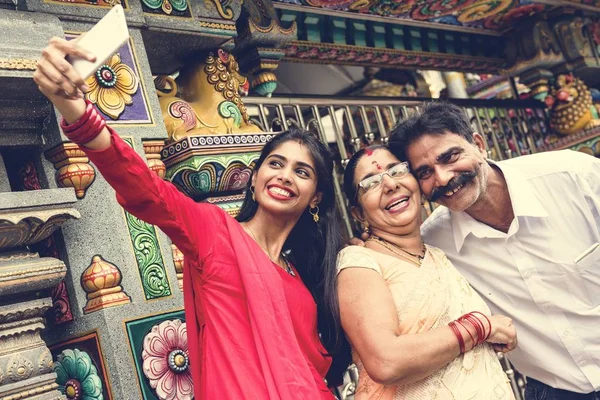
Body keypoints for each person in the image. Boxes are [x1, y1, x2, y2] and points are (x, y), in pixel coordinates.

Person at [34, 37, 351, 399]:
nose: (284, 176)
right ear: (255, 176)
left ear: (317, 197)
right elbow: (148, 191)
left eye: (302, 172)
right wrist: (77, 112)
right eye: (275, 163)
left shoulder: (304, 274)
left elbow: (310, 366)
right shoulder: (215, 232)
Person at [388, 102, 600, 400]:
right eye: (425, 172)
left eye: (450, 157)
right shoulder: (434, 246)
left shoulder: (576, 178)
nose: (444, 177)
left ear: (479, 145)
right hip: (553, 391)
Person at [338, 144, 517, 399]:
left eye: (397, 170)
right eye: (370, 183)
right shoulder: (358, 262)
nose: (390, 184)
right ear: (358, 213)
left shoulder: (439, 252)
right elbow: (386, 361)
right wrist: (482, 327)